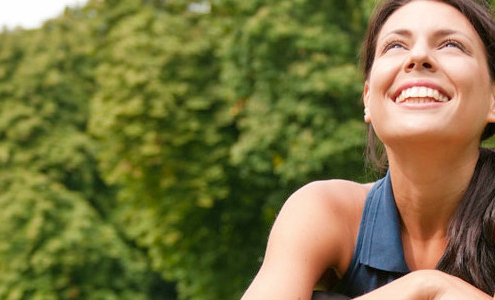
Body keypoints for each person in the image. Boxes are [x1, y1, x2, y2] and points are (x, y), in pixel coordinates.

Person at [240, 0, 495, 299]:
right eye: (395, 46)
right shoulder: (326, 211)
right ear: (368, 98)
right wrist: (427, 287)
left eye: (451, 44)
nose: (418, 56)